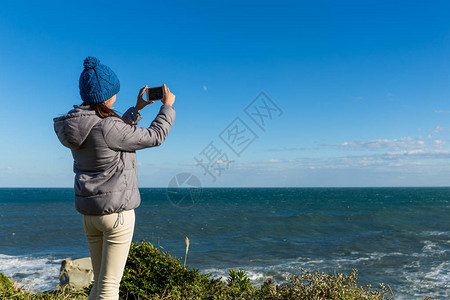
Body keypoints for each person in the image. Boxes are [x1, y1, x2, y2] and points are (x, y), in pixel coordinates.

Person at [53, 56, 176, 299]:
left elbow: (110, 135)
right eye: (114, 92)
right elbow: (154, 136)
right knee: (109, 288)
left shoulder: (78, 125)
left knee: (99, 284)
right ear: (106, 95)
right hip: (116, 215)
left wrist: (137, 109)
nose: (116, 96)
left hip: (90, 215)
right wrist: (167, 107)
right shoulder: (108, 126)